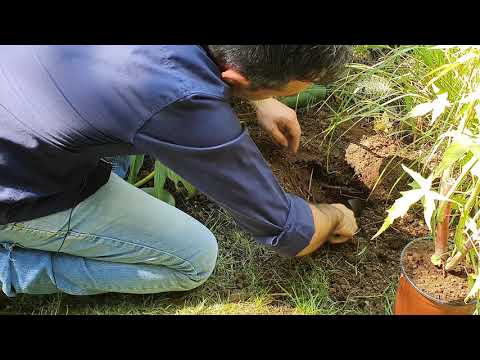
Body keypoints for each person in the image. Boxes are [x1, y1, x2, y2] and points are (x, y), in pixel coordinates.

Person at [0, 45, 357, 297]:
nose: (307, 87)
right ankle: (10, 269)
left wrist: (261, 96)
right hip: (16, 186)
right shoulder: (180, 101)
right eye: (303, 82)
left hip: (20, 101)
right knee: (193, 260)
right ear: (237, 77)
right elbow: (288, 231)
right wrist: (334, 215)